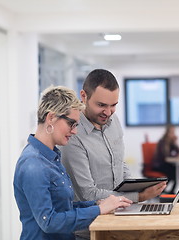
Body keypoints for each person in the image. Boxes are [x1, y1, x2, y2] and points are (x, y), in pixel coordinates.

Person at [13, 86, 132, 240]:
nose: (75, 131)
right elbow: (49, 222)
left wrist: (97, 204)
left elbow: (64, 207)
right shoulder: (33, 164)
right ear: (51, 118)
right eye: (71, 124)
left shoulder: (52, 157)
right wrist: (99, 210)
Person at [60, 69, 166, 202]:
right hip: (94, 216)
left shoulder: (113, 120)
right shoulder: (73, 135)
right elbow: (87, 194)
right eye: (101, 105)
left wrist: (136, 187)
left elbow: (119, 162)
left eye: (113, 105)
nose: (108, 112)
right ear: (84, 96)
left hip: (121, 207)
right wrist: (138, 196)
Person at [152, 125, 179, 193]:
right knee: (174, 172)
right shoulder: (162, 142)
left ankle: (171, 191)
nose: (173, 134)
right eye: (172, 132)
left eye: (174, 132)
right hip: (159, 165)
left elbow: (178, 151)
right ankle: (164, 190)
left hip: (167, 164)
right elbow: (165, 155)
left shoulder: (171, 142)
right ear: (167, 133)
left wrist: (175, 142)